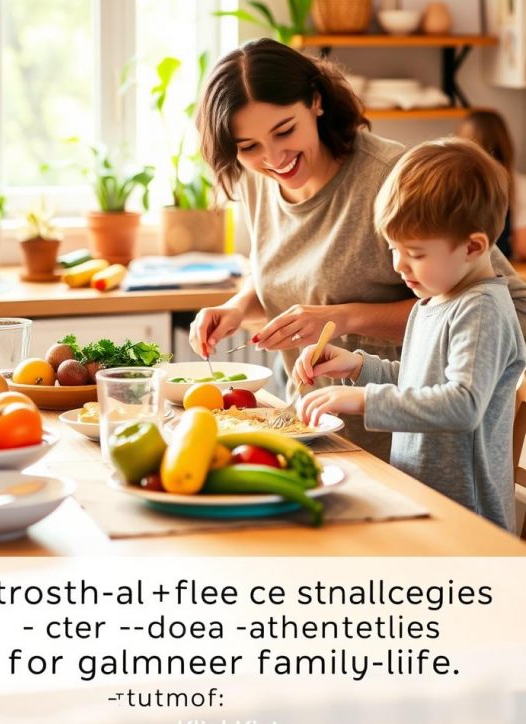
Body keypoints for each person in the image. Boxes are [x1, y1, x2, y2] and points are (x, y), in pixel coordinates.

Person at [189, 38, 526, 459]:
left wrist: (344, 318)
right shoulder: (261, 181)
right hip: (313, 434)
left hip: (403, 455)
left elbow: (509, 307)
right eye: (248, 147)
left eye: (284, 131)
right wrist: (238, 308)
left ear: (315, 101)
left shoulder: (391, 178)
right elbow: (289, 276)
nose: (273, 159)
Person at [293, 138, 526, 532]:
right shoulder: (433, 301)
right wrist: (358, 367)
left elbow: (462, 404)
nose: (399, 265)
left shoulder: (481, 309)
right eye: (392, 248)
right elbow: (420, 381)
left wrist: (366, 399)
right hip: (422, 499)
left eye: (414, 253)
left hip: (465, 522)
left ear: (473, 246)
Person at [457, 107, 526, 260]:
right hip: (501, 269)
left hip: (457, 268)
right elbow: (522, 247)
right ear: (506, 143)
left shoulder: (451, 183)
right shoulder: (518, 185)